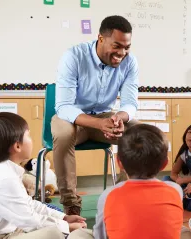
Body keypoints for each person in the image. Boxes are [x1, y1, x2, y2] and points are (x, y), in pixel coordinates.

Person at [52, 15, 139, 215]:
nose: (122, 53)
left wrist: (119, 119)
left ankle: (134, 195)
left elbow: (130, 102)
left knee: (142, 134)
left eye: (127, 47)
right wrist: (98, 124)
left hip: (107, 116)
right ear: (100, 38)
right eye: (117, 46)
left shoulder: (130, 62)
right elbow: (64, 106)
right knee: (63, 134)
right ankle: (71, 203)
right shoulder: (73, 56)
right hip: (73, 119)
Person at [69, 124, 191, 239]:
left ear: (119, 163)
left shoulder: (108, 194)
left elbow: (100, 235)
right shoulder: (176, 190)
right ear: (165, 164)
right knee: (184, 231)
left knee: (77, 234)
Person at [0, 112, 87, 239]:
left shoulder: (3, 170)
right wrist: (67, 227)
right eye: (28, 135)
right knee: (54, 233)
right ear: (17, 146)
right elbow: (30, 221)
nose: (31, 139)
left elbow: (29, 204)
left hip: (8, 231)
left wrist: (63, 217)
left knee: (54, 226)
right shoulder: (3, 179)